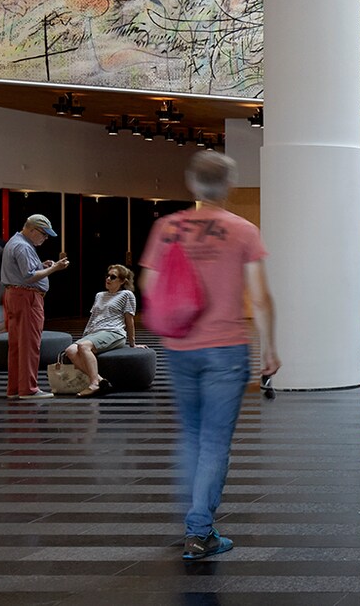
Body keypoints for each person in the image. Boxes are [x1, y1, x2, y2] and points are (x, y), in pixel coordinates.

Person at [140, 149, 279, 561]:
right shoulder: (242, 230)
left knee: (192, 435)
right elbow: (261, 297)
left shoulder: (166, 228)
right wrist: (270, 347)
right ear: (229, 186)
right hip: (226, 348)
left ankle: (194, 516)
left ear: (191, 184)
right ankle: (199, 530)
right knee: (215, 441)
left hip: (180, 348)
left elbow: (149, 286)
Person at [1, 212, 70, 399]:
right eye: (44, 234)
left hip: (14, 295)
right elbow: (29, 276)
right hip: (27, 298)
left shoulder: (15, 242)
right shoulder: (23, 247)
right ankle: (28, 389)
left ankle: (15, 388)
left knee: (16, 345)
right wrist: (54, 268)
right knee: (30, 345)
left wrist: (42, 265)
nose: (46, 238)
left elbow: (24, 270)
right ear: (32, 230)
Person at [60, 264, 138, 398]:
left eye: (113, 277)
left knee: (84, 347)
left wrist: (133, 344)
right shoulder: (99, 295)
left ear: (122, 281)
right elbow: (93, 317)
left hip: (114, 332)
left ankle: (94, 384)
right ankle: (101, 381)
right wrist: (86, 335)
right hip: (96, 333)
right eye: (107, 276)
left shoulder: (126, 295)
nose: (108, 279)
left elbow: (129, 320)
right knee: (70, 351)